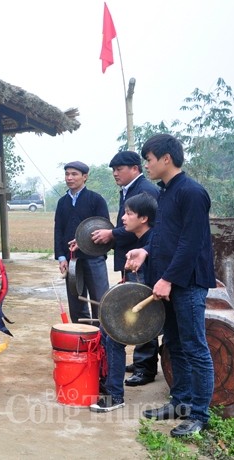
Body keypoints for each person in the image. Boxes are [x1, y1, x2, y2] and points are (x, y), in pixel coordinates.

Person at [126, 133, 215, 438]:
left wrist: (167, 279)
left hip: (187, 283)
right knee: (174, 345)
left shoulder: (191, 192)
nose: (146, 165)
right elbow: (167, 238)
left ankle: (200, 414)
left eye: (148, 159)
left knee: (194, 348)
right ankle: (180, 402)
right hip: (171, 282)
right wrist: (146, 250)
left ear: (166, 159)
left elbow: (191, 244)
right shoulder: (165, 192)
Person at [91, 151, 160, 387]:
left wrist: (111, 234)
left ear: (134, 168)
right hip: (132, 256)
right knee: (134, 305)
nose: (115, 174)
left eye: (119, 169)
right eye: (113, 170)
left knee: (142, 311)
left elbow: (149, 227)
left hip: (142, 258)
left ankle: (145, 366)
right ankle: (141, 361)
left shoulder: (145, 191)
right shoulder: (130, 189)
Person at [90, 193, 156, 413]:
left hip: (153, 310)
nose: (124, 219)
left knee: (113, 334)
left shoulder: (151, 243)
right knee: (105, 329)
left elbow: (143, 289)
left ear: (144, 218)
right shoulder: (141, 240)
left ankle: (114, 395)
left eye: (128, 214)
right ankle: (108, 384)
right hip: (143, 305)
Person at [53, 161, 110, 323]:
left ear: (85, 177)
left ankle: (103, 343)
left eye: (74, 174)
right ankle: (83, 342)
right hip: (72, 260)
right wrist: (62, 257)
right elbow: (59, 231)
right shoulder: (62, 202)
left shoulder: (96, 200)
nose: (69, 178)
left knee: (100, 301)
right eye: (67, 174)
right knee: (76, 302)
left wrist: (84, 242)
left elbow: (103, 228)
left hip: (94, 259)